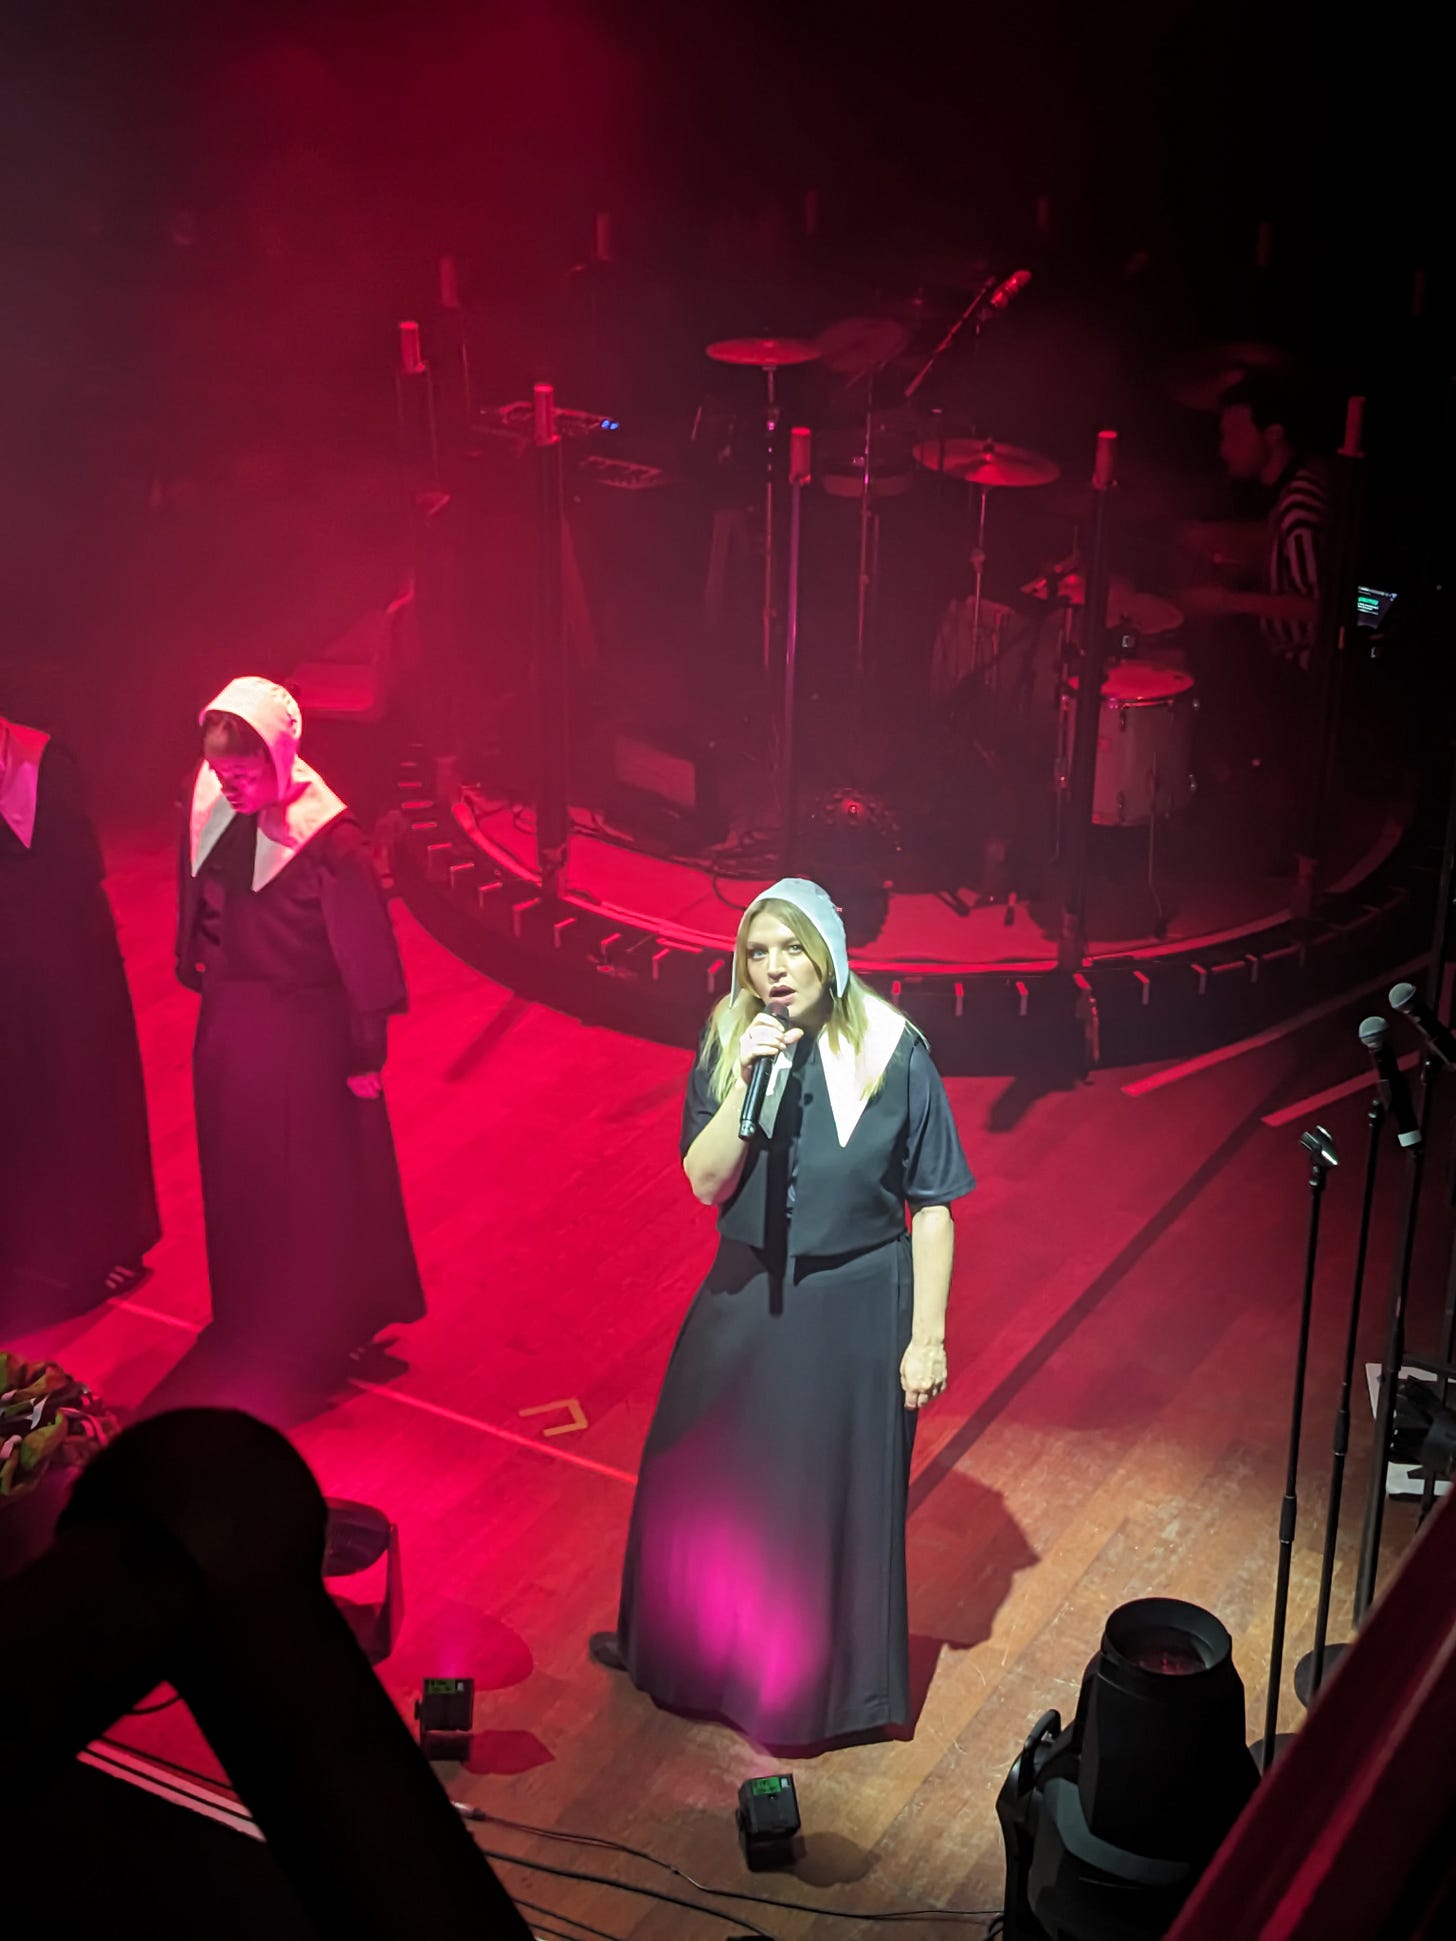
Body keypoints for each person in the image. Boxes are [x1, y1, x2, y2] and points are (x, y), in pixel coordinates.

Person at [591, 878, 974, 1748]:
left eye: (790, 949)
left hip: (854, 1300)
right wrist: (749, 1080)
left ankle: (805, 1697)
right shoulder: (732, 1037)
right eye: (756, 952)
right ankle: (683, 1653)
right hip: (746, 1282)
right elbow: (704, 1179)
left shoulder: (893, 1049)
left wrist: (927, 1338)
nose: (772, 969)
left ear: (828, 954)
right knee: (693, 1466)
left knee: (811, 1501)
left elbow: (936, 1205)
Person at [174, 677, 423, 1382]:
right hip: (231, 1024)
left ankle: (322, 1329)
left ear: (281, 760)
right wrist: (193, 958)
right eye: (221, 773)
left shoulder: (331, 846)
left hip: (307, 1037)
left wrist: (364, 1050)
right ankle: (251, 1314)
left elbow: (364, 958)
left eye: (245, 774)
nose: (230, 788)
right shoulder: (211, 807)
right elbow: (196, 888)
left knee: (314, 1189)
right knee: (239, 1175)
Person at [1, 714, 160, 1324]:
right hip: (10, 969)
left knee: (84, 1103)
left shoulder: (46, 766)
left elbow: (78, 874)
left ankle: (109, 1248)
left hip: (69, 967)